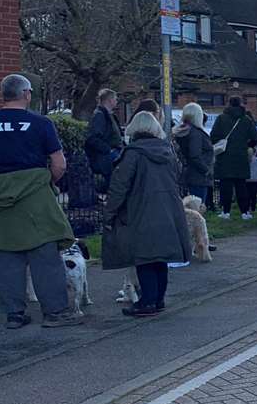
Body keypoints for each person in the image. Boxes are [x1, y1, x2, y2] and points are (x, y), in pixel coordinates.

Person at [0, 74, 79, 329]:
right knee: (45, 255)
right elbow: (59, 163)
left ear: (3, 95)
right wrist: (46, 180)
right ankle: (55, 313)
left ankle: (14, 314)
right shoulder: (41, 124)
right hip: (36, 197)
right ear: (27, 94)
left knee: (6, 256)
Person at [100, 111, 192, 318]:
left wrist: (109, 214)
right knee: (160, 258)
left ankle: (147, 301)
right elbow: (178, 177)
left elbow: (119, 186)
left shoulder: (133, 154)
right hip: (168, 209)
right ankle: (158, 299)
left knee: (145, 257)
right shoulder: (168, 151)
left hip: (141, 210)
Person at [210, 97, 257, 220]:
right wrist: (248, 146)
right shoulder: (246, 119)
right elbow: (255, 136)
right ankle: (245, 212)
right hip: (241, 156)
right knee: (241, 185)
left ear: (228, 104)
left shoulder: (221, 118)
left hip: (224, 156)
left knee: (225, 186)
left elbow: (213, 136)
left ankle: (226, 212)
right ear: (241, 104)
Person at [172, 102, 213, 204]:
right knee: (197, 208)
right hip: (198, 176)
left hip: (185, 174)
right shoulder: (196, 133)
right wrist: (206, 170)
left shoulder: (181, 131)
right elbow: (195, 155)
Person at [83, 88, 122, 193]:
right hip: (106, 157)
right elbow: (92, 138)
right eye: (115, 99)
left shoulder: (108, 115)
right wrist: (108, 150)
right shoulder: (100, 115)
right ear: (109, 100)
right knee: (113, 183)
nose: (116, 101)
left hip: (112, 154)